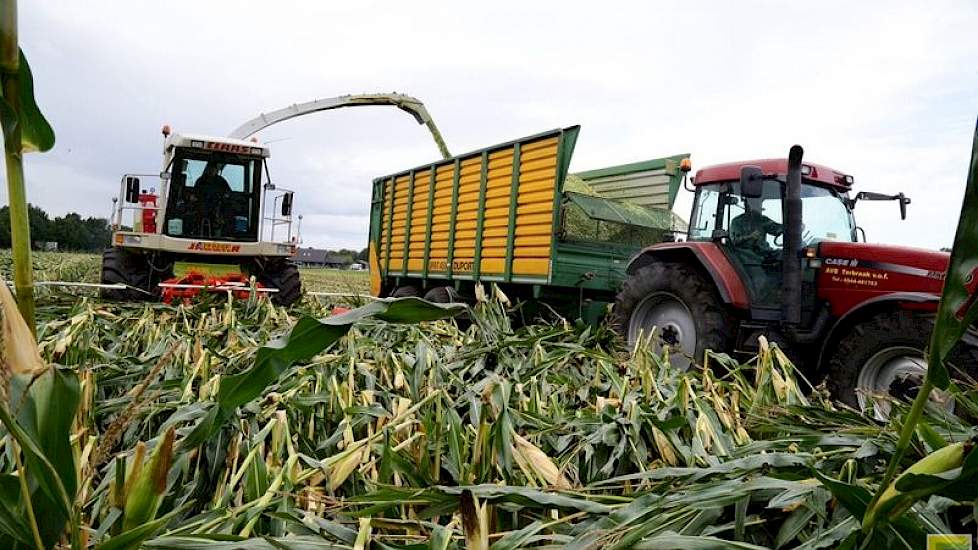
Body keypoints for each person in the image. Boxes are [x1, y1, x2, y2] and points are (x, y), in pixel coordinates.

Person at [194, 163, 231, 235]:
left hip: (217, 206)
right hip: (201, 205)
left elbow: (228, 193)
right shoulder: (201, 180)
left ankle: (218, 234)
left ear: (216, 170)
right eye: (210, 169)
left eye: (214, 169)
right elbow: (194, 193)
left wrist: (226, 196)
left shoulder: (221, 181)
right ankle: (197, 232)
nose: (212, 171)